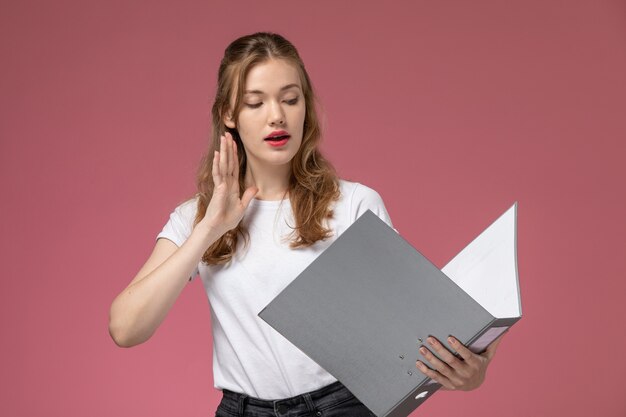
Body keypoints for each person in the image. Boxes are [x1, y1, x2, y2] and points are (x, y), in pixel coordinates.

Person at [108, 31, 505, 417]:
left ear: (305, 107)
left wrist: (470, 370)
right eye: (254, 103)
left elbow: (415, 326)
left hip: (343, 406)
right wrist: (210, 228)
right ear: (228, 115)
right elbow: (125, 329)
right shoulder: (195, 219)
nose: (277, 116)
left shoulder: (353, 204)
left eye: (290, 99)